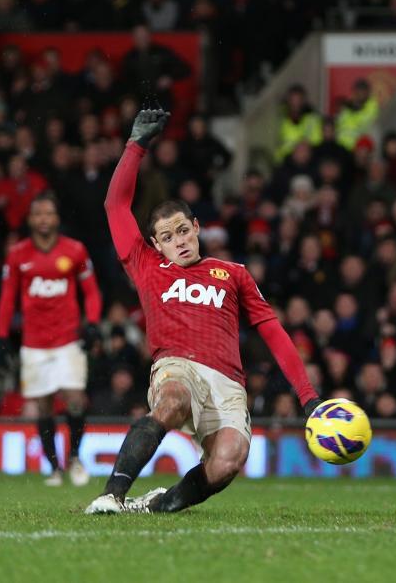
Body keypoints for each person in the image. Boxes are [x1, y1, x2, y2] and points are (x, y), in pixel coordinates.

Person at [85, 110, 321, 514]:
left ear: (196, 228)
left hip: (227, 382)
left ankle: (155, 507)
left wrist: (309, 398)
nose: (177, 241)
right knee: (172, 398)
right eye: (166, 236)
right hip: (177, 366)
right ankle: (111, 496)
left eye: (182, 230)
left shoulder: (233, 274)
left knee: (229, 459)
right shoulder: (146, 265)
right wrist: (135, 146)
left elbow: (272, 331)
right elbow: (114, 205)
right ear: (155, 245)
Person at [0, 192, 102, 487]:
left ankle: (76, 458)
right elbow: (7, 298)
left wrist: (91, 323)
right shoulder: (18, 254)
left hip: (67, 339)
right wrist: (2, 337)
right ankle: (54, 467)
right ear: (30, 219)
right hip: (34, 343)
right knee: (43, 406)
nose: (43, 219)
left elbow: (91, 291)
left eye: (48, 214)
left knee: (75, 399)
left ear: (57, 218)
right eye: (38, 214)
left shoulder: (75, 251)